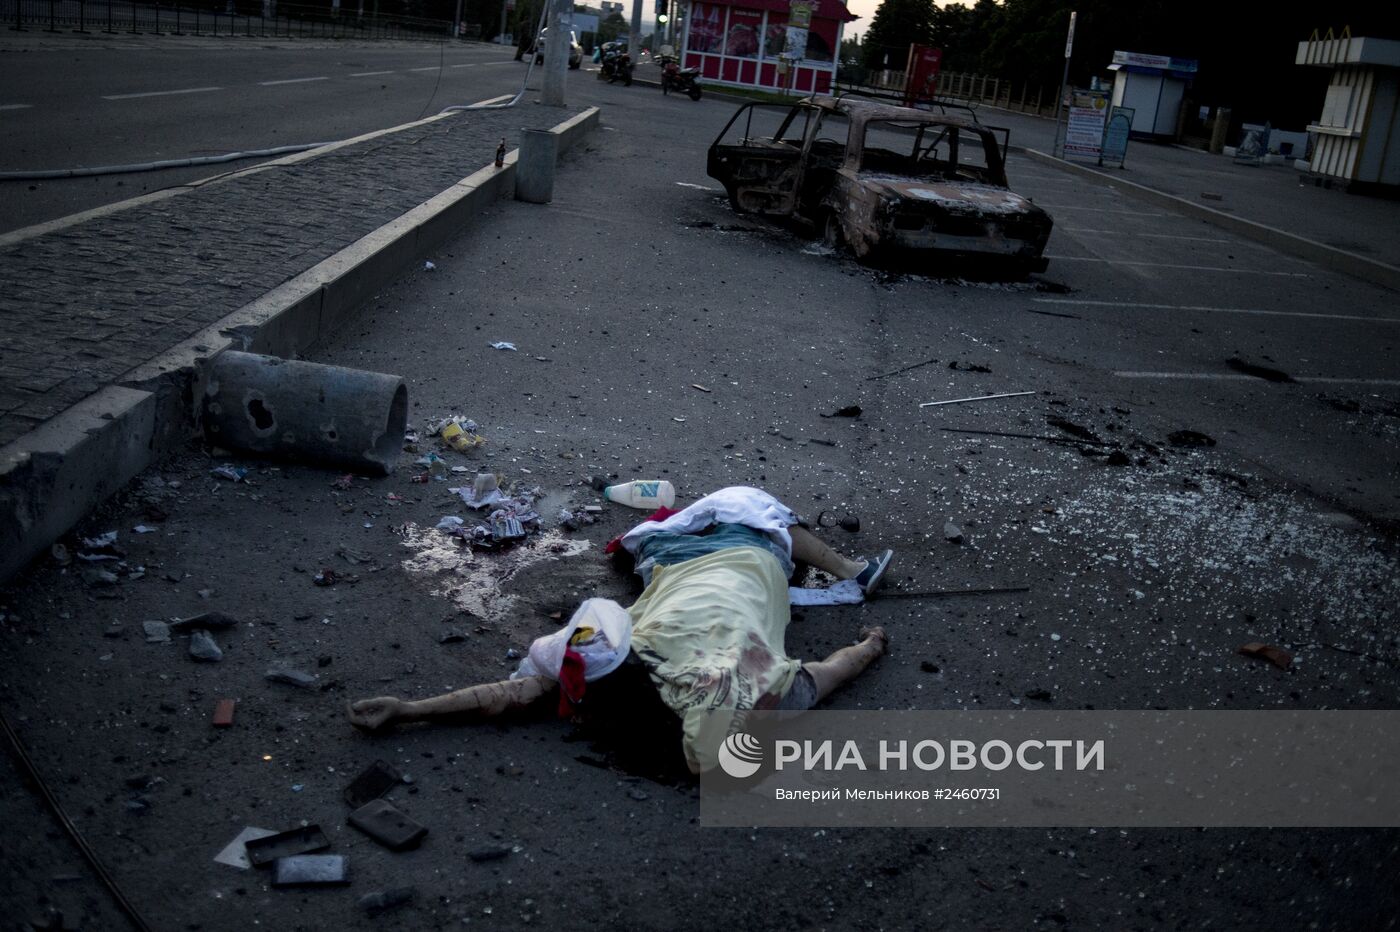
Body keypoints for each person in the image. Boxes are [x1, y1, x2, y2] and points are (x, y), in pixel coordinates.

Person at [348, 487, 894, 773]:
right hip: (719, 558)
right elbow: (829, 674)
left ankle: (846, 571)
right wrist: (871, 645)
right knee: (749, 501)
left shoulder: (731, 686)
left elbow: (506, 696)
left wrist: (412, 709)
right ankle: (850, 571)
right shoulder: (732, 684)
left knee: (741, 504)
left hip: (677, 558)